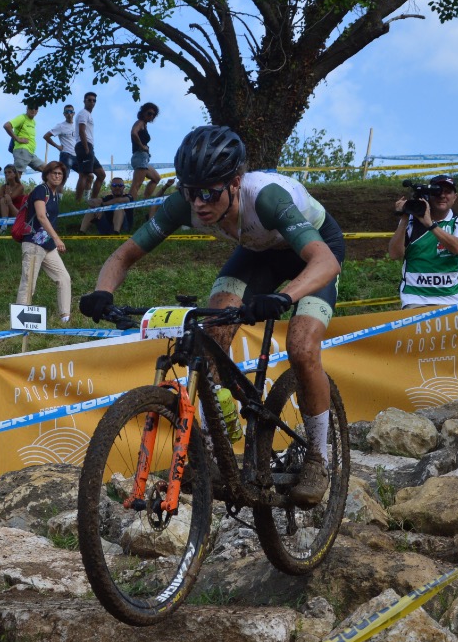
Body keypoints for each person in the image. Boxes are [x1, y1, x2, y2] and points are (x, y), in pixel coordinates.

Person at [80, 126, 344, 507]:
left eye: (209, 192)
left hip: (315, 248)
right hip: (257, 251)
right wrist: (103, 293)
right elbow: (124, 255)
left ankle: (319, 458)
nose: (199, 203)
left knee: (302, 346)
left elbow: (325, 261)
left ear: (236, 183)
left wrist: (283, 297)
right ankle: (213, 445)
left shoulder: (266, 198)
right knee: (213, 332)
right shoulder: (186, 203)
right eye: (191, 191)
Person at [388, 174, 458, 309]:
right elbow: (394, 254)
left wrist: (430, 224)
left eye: (448, 192)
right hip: (415, 298)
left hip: (451, 298)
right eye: (437, 191)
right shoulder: (411, 221)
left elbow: (457, 248)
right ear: (429, 196)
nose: (442, 196)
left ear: (455, 197)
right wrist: (404, 218)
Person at [16, 160, 71, 323]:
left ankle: (65, 317)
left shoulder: (54, 194)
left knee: (64, 278)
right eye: (53, 173)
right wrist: (56, 237)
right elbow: (41, 216)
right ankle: (21, 321)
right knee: (28, 282)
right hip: (33, 243)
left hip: (47, 245)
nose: (57, 176)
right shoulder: (41, 190)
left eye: (60, 173)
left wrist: (53, 240)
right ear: (46, 174)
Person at [128, 102, 165, 201]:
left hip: (143, 158)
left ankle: (144, 200)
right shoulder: (139, 122)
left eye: (153, 114)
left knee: (156, 178)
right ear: (143, 113)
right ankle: (129, 208)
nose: (151, 116)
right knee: (136, 184)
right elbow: (133, 133)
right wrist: (141, 146)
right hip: (140, 156)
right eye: (149, 113)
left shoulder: (144, 124)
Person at [74, 91, 106, 202]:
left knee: (101, 175)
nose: (92, 102)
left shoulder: (88, 114)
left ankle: (92, 200)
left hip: (89, 146)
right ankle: (77, 202)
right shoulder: (83, 113)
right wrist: (86, 147)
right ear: (84, 101)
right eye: (89, 100)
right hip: (84, 145)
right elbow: (82, 130)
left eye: (94, 100)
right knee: (84, 175)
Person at [4, 103, 45, 174]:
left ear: (37, 110)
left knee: (48, 170)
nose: (33, 110)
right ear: (27, 108)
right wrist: (17, 139)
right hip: (22, 150)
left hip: (31, 153)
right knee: (16, 177)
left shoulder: (33, 122)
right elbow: (7, 126)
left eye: (36, 108)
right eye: (31, 107)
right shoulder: (22, 117)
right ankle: (10, 185)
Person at [44, 104, 78, 173]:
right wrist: (57, 146)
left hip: (77, 155)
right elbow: (46, 136)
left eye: (71, 111)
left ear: (74, 113)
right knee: (63, 177)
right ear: (64, 114)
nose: (69, 114)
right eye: (67, 112)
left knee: (87, 175)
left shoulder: (77, 126)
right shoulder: (61, 126)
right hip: (66, 155)